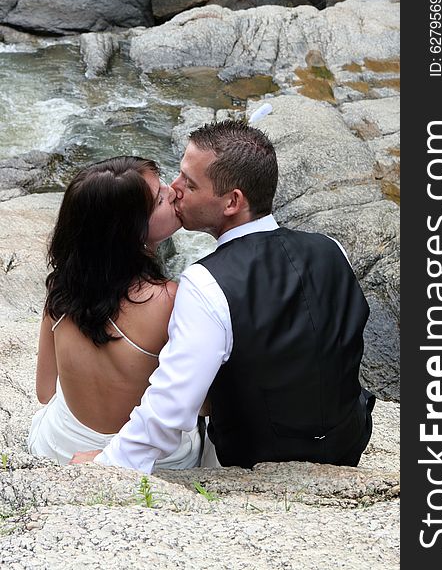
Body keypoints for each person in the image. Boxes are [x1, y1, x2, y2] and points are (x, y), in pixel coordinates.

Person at [72, 120, 375, 472]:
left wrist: (108, 464)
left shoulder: (204, 283)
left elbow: (171, 407)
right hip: (348, 442)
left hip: (253, 462)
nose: (174, 188)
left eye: (189, 182)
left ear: (232, 202)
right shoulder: (332, 248)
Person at [27, 156, 202, 467]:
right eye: (159, 197)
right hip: (145, 460)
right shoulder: (170, 299)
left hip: (58, 445)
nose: (174, 190)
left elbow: (44, 391)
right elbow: (200, 405)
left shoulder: (61, 290)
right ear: (132, 231)